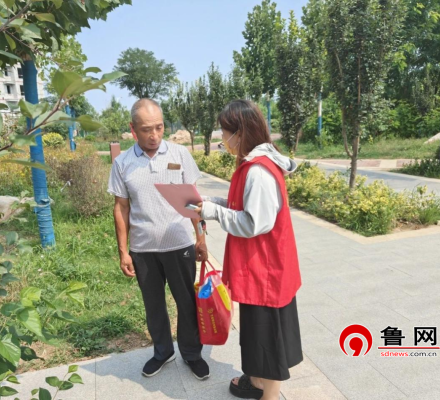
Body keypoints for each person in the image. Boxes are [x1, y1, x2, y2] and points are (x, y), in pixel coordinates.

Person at [195, 100, 303, 400]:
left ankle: (269, 394)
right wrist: (209, 203)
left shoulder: (259, 171)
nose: (222, 139)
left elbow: (255, 223)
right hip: (259, 267)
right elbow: (239, 204)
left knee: (268, 336)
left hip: (266, 271)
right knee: (256, 332)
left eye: (225, 132)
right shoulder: (250, 166)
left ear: (240, 133)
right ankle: (256, 381)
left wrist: (214, 213)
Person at [108, 99, 211, 380]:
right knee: (153, 305)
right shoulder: (123, 163)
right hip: (143, 249)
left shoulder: (179, 154)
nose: (154, 135)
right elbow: (121, 207)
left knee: (187, 303)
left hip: (180, 244)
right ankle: (162, 351)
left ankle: (192, 353)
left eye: (159, 127)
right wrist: (123, 252)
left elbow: (193, 201)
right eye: (146, 130)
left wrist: (200, 238)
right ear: (132, 129)